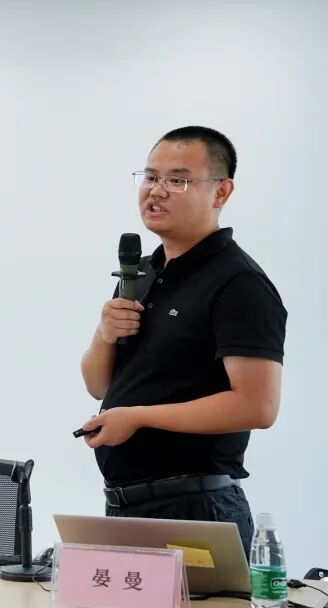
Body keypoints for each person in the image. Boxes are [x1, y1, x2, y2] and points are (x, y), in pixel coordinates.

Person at [78, 126, 286, 556]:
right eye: (151, 177)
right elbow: (99, 386)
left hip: (195, 507)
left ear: (221, 191)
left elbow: (258, 406)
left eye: (178, 180)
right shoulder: (142, 272)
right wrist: (104, 334)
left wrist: (139, 417)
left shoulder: (238, 282)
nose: (157, 191)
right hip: (126, 503)